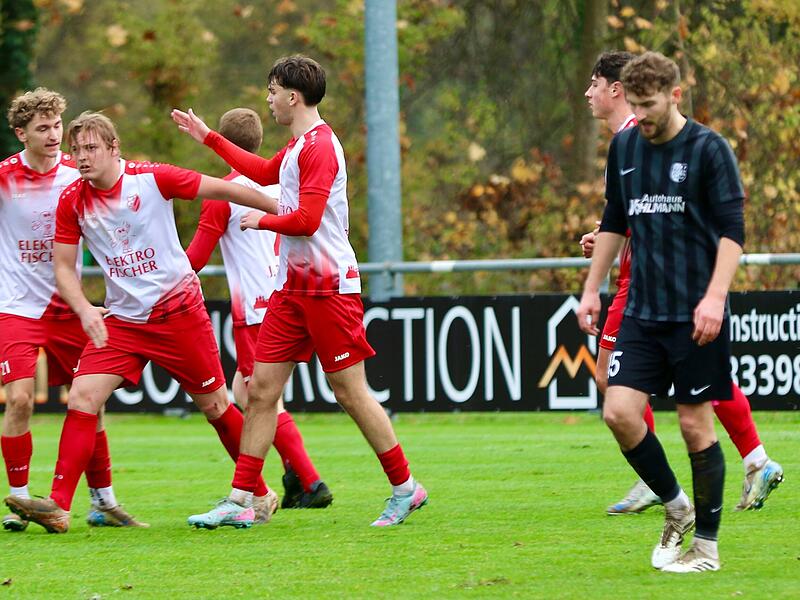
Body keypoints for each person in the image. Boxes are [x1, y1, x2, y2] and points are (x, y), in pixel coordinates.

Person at [172, 55, 427, 528]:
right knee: (260, 390)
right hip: (290, 290)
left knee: (350, 392)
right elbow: (261, 172)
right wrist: (208, 136)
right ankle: (242, 500)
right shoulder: (296, 147)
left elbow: (308, 221)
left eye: (272, 91)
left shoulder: (321, 146)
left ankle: (405, 488)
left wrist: (261, 220)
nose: (268, 100)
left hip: (329, 289)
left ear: (293, 96)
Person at [4, 111, 281, 533]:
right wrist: (84, 309)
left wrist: (281, 211)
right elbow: (62, 267)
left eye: (91, 148)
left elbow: (223, 188)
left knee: (215, 406)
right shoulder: (72, 199)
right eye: (77, 150)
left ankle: (259, 492)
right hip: (124, 321)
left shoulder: (152, 178)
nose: (82, 157)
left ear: (114, 148)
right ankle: (58, 505)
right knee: (82, 397)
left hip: (178, 313)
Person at [580, 52, 783, 517]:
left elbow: (702, 219)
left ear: (616, 89)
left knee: (625, 382)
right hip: (642, 277)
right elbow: (630, 213)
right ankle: (754, 460)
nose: (589, 94)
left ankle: (665, 485)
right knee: (692, 383)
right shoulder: (625, 145)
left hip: (652, 281)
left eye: (594, 84)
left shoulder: (655, 140)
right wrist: (604, 237)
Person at [0, 89, 144, 531]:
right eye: (42, 128)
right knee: (19, 398)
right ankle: (22, 503)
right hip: (16, 307)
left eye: (57, 126)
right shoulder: (4, 177)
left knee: (90, 403)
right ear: (21, 133)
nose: (53, 135)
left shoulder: (76, 175)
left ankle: (103, 502)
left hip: (70, 308)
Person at [185, 107, 332, 509]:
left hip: (255, 308)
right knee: (246, 390)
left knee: (260, 397)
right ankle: (295, 476)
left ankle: (309, 481)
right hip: (287, 296)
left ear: (223, 144)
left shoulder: (223, 194)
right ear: (258, 140)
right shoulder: (281, 185)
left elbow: (195, 258)